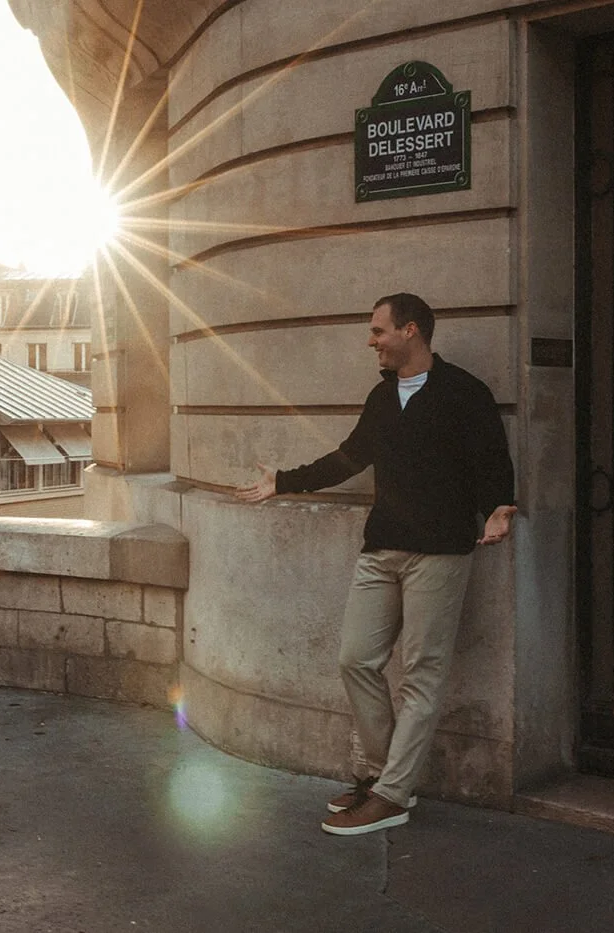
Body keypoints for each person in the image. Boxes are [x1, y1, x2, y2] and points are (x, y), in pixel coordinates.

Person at [235, 293, 516, 837]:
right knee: (355, 659)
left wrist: (500, 509)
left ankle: (390, 793)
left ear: (410, 331)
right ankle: (387, 776)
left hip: (440, 552)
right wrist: (285, 481)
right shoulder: (382, 397)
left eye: (378, 331)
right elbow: (350, 456)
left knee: (421, 674)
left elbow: (491, 459)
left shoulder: (464, 393)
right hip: (382, 547)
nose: (372, 342)